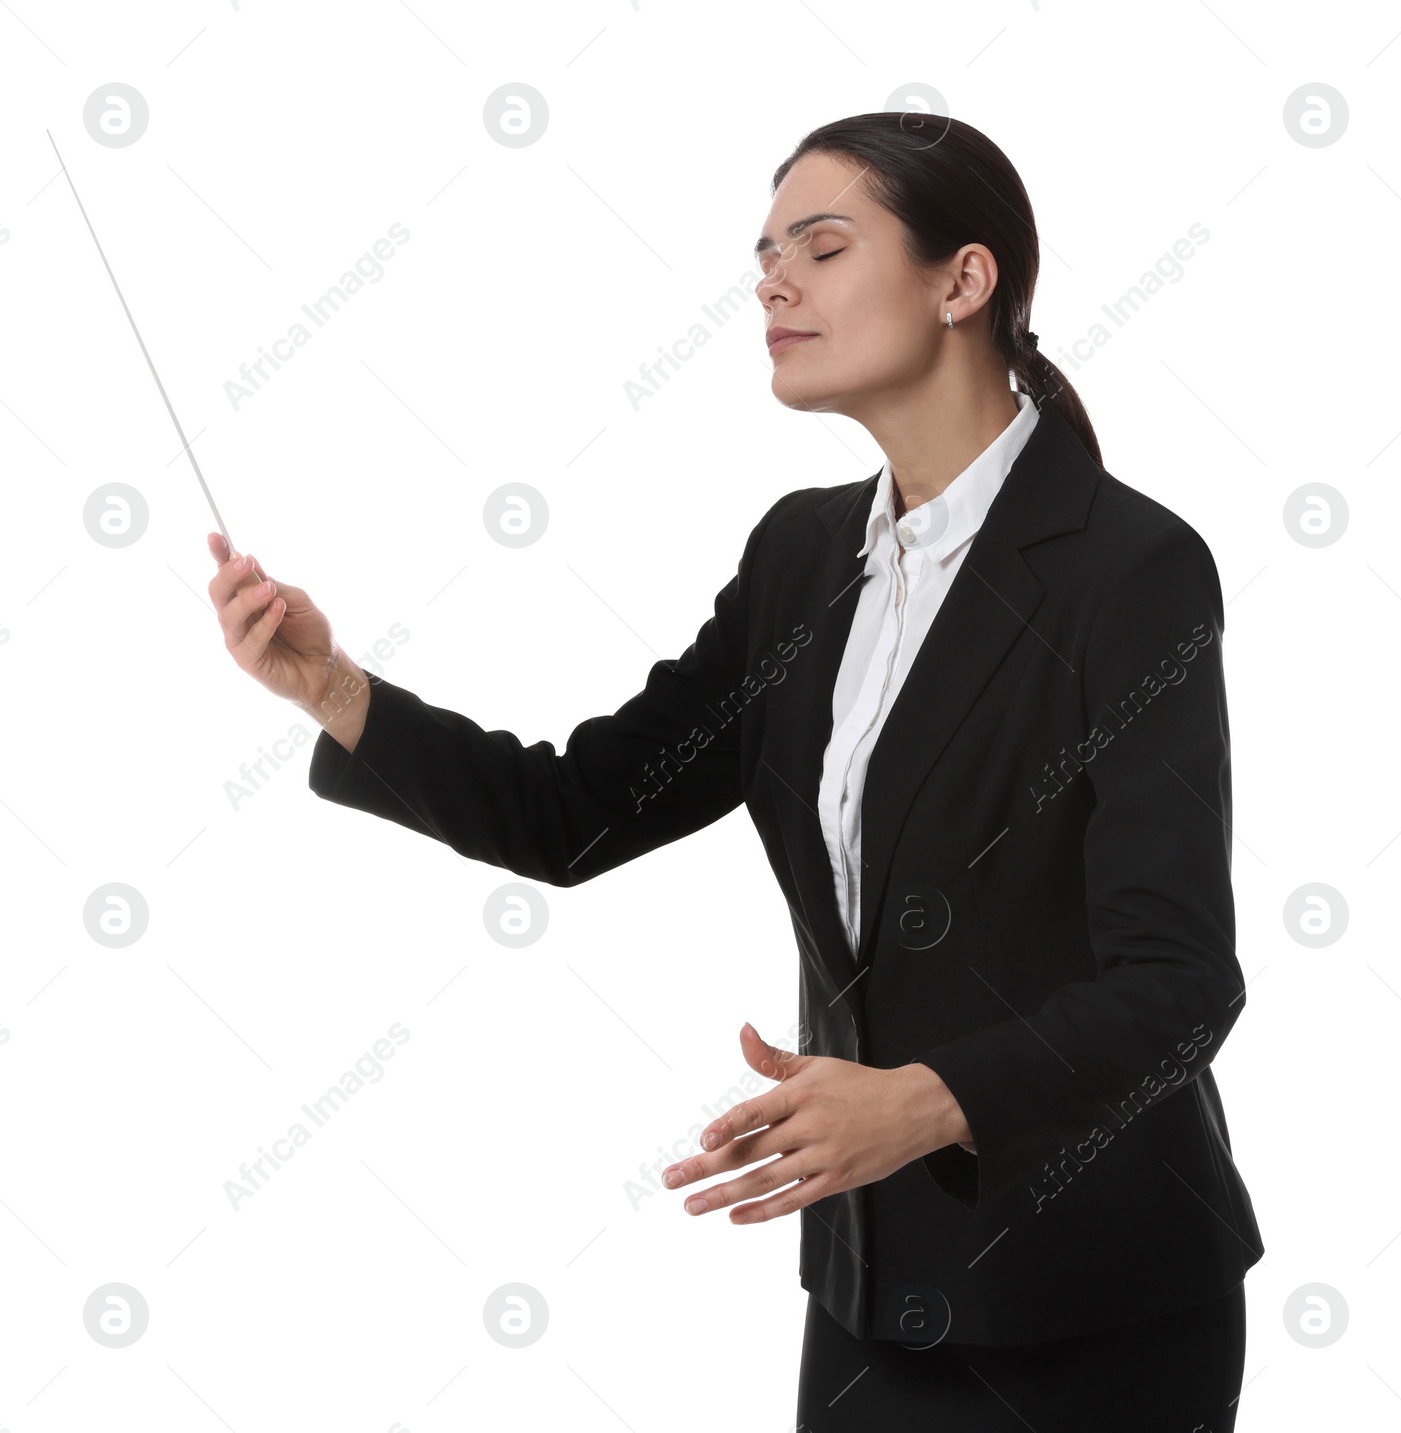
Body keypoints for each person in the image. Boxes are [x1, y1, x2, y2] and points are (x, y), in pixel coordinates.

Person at [206, 111, 1263, 1431]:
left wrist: (929, 1104)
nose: (773, 280)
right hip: (876, 1298)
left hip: (1097, 1305)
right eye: (765, 253)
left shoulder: (1131, 569)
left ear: (963, 280)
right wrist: (333, 689)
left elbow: (1179, 984)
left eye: (822, 247)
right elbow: (573, 813)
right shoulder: (801, 563)